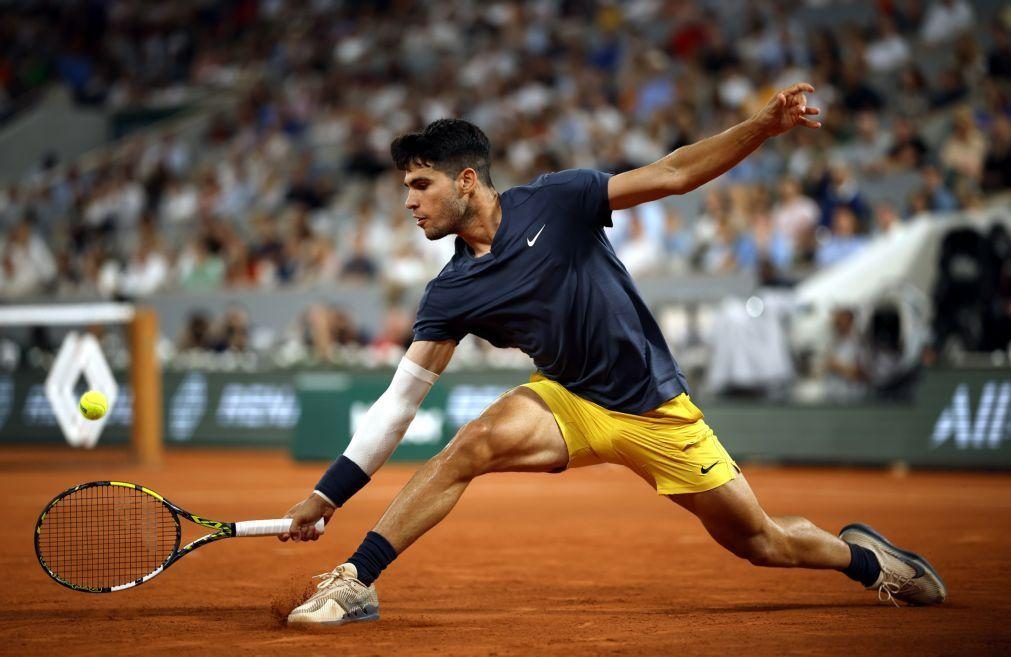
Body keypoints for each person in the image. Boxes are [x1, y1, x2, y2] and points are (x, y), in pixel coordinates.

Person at [280, 83, 946, 626]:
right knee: (469, 445)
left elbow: (674, 172)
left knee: (760, 541)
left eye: (420, 185)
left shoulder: (557, 200)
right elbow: (399, 401)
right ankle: (357, 578)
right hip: (568, 400)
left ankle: (864, 560)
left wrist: (761, 126)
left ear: (466, 180)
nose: (408, 202)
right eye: (405, 187)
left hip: (655, 407)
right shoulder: (449, 291)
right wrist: (326, 493)